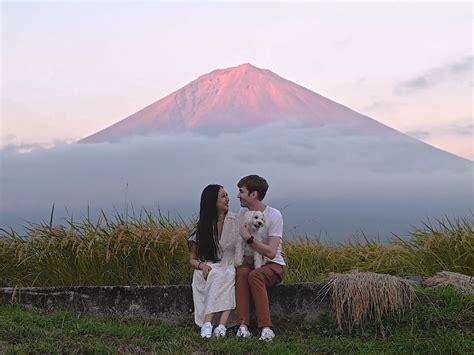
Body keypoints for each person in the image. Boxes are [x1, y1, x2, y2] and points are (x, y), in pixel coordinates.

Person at [235, 175, 285, 342]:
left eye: (241, 191)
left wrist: (249, 238)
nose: (238, 195)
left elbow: (271, 252)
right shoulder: (243, 213)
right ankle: (242, 326)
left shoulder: (274, 215)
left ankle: (266, 328)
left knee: (255, 275)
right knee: (242, 272)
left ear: (253, 194)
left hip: (273, 265)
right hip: (251, 262)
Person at [189, 184, 239, 338]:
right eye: (223, 196)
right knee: (216, 273)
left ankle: (219, 325)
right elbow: (192, 259)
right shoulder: (202, 228)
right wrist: (201, 265)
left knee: (229, 274)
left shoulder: (237, 221)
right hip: (209, 266)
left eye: (227, 195)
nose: (228, 199)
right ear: (213, 201)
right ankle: (209, 323)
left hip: (231, 264)